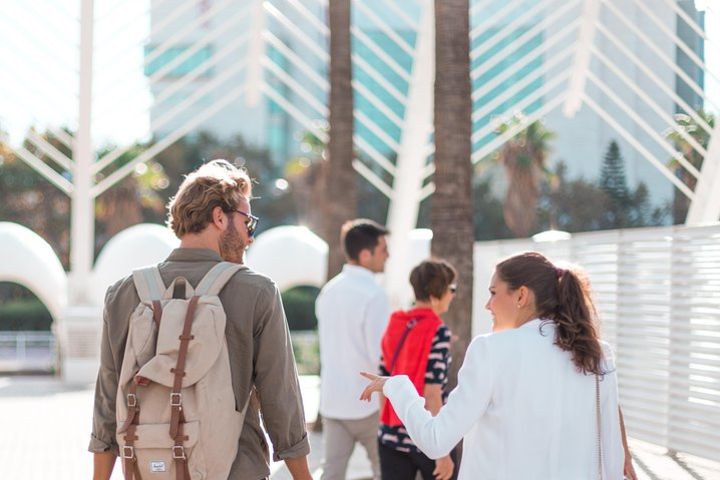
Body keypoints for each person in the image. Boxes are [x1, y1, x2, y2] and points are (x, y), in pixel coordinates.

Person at [89, 160, 312, 480]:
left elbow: (107, 400)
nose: (250, 237)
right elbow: (281, 400)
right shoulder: (256, 291)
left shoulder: (124, 293)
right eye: (248, 222)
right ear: (220, 218)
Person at [361, 251, 625, 479]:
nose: (488, 304)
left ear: (521, 295)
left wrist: (397, 386)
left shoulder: (491, 350)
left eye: (493, 292)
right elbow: (612, 457)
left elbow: (436, 440)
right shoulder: (597, 353)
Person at [315, 219, 390, 480]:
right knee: (386, 472)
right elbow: (379, 355)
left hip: (333, 401)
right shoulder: (375, 294)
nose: (388, 256)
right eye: (383, 250)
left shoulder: (328, 291)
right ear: (366, 255)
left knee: (331, 473)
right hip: (369, 404)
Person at [377, 259, 458, 480]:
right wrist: (442, 452)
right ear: (435, 295)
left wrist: (387, 427)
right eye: (451, 289)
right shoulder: (438, 331)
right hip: (424, 435)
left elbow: (384, 381)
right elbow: (432, 392)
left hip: (390, 435)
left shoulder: (395, 322)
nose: (453, 294)